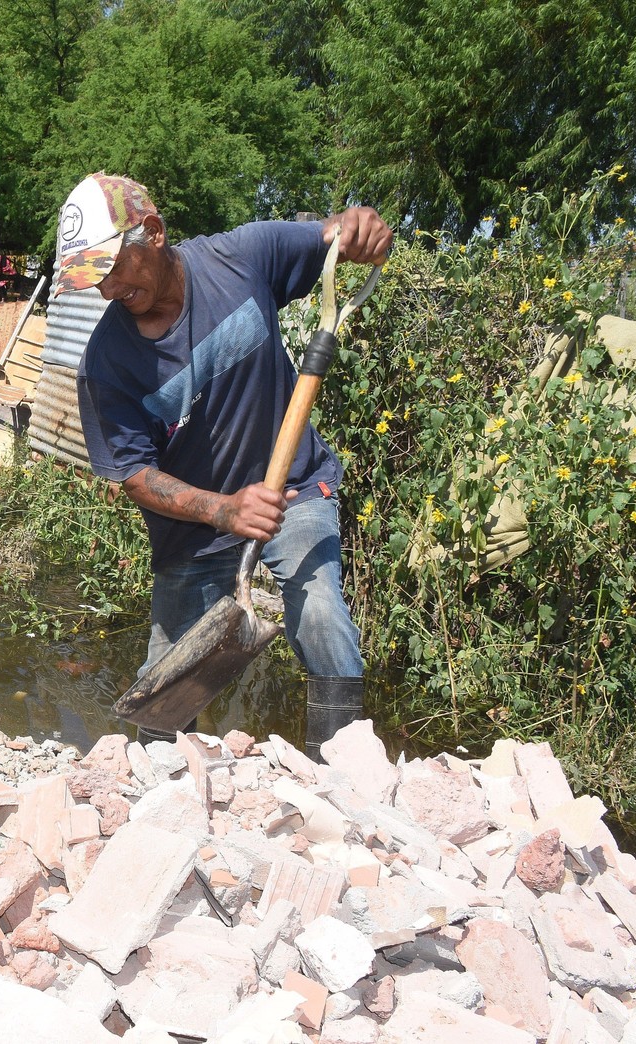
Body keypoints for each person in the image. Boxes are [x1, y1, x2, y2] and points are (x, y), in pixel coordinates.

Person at [60, 172, 391, 758]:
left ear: (154, 234)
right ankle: (157, 781)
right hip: (193, 532)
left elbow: (331, 235)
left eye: (114, 269)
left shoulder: (243, 257)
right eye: (94, 279)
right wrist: (222, 510)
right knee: (166, 684)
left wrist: (357, 224)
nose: (107, 290)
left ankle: (342, 773)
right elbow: (134, 474)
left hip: (292, 490)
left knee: (321, 611)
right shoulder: (106, 362)